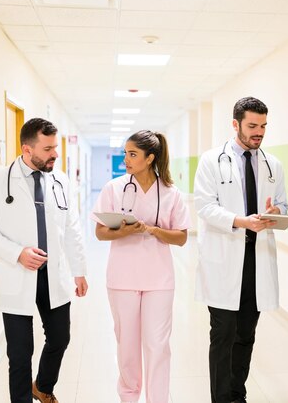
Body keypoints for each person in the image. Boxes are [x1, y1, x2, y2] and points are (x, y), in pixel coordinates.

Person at [0, 118, 88, 403]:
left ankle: (43, 386)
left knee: (60, 338)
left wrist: (79, 270)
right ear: (27, 148)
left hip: (53, 275)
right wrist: (17, 253)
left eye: (55, 147)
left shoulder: (60, 180)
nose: (55, 154)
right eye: (48, 148)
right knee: (20, 354)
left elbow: (71, 228)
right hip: (17, 274)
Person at [193, 96, 288, 403]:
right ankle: (220, 399)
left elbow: (283, 205)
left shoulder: (273, 164)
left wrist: (275, 213)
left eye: (263, 126)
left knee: (246, 334)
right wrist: (240, 221)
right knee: (222, 335)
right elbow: (204, 206)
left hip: (256, 261)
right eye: (252, 126)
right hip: (224, 258)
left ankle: (237, 395)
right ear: (235, 124)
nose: (259, 132)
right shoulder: (211, 160)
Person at [92, 130, 190, 403]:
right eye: (125, 153)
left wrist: (152, 230)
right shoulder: (114, 188)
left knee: (158, 346)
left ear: (150, 158)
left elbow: (181, 237)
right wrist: (124, 231)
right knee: (127, 347)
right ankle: (128, 397)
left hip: (159, 280)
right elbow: (100, 232)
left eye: (132, 154)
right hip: (122, 279)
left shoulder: (171, 193)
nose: (126, 159)